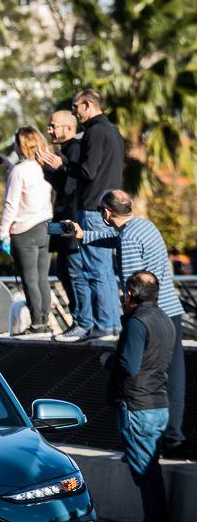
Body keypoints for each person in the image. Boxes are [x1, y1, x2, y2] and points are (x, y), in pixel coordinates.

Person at [69, 189, 186, 456]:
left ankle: (158, 438)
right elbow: (116, 238)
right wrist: (83, 235)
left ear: (106, 213)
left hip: (151, 317)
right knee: (175, 375)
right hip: (172, 311)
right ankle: (175, 436)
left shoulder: (130, 239)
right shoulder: (143, 226)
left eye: (100, 211)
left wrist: (132, 320)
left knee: (148, 374)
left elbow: (134, 284)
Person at [39, 89, 125, 341]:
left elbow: (87, 172)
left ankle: (104, 324)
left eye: (76, 107)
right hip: (106, 206)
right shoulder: (113, 131)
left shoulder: (95, 132)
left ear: (88, 105)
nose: (75, 112)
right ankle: (109, 324)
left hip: (93, 207)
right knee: (103, 270)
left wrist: (61, 165)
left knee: (94, 271)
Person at [103, 270, 175, 522]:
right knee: (151, 473)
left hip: (138, 406)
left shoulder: (137, 322)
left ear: (129, 294)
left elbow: (129, 365)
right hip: (159, 404)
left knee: (146, 476)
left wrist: (109, 360)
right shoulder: (165, 320)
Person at [0, 126, 55, 335]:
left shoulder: (19, 171)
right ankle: (44, 320)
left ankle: (37, 322)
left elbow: (10, 204)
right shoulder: (44, 168)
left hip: (24, 230)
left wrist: (3, 232)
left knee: (29, 279)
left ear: (20, 144)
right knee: (42, 278)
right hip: (46, 226)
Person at [39, 110, 84, 322]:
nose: (50, 130)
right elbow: (62, 186)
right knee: (63, 272)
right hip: (62, 218)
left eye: (53, 126)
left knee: (74, 272)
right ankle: (77, 317)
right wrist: (48, 169)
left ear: (68, 128)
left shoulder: (75, 148)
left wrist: (62, 167)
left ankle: (83, 319)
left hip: (72, 220)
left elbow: (72, 186)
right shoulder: (64, 150)